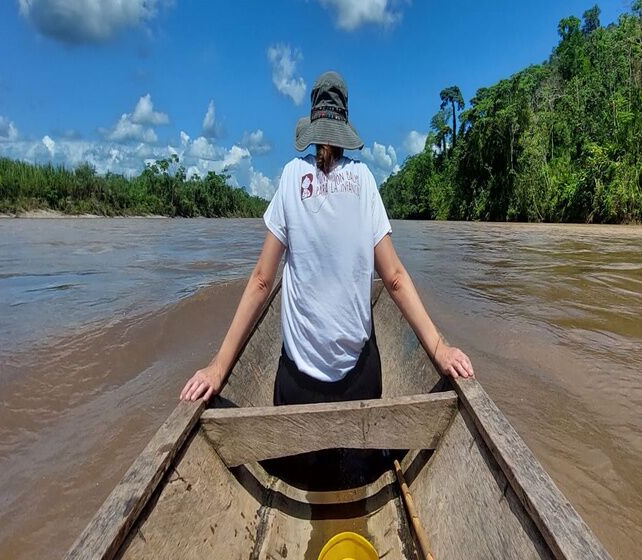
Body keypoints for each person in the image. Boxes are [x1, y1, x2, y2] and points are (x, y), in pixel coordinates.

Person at [180, 71, 473, 406]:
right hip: (360, 384)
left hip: (297, 389)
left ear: (313, 131)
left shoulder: (291, 176)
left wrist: (218, 368)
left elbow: (262, 281)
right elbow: (393, 279)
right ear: (344, 127)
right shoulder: (364, 180)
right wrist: (438, 348)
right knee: (369, 333)